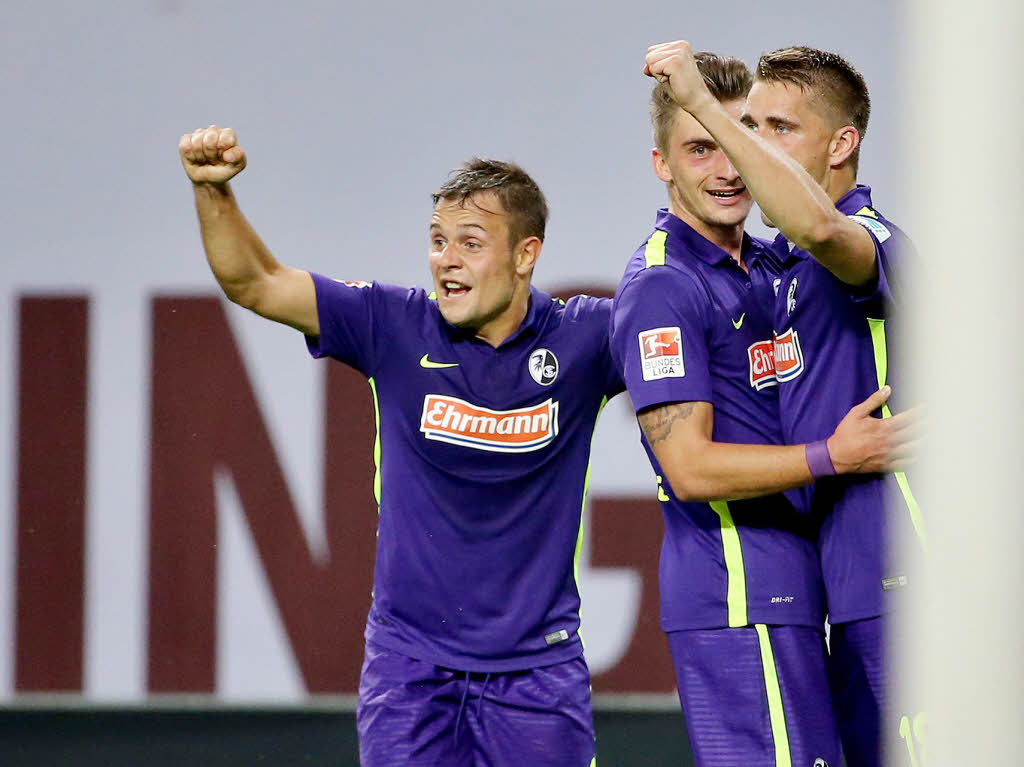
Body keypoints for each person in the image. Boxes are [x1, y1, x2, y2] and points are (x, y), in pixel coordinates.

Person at [178, 126, 623, 767]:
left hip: (538, 673)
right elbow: (256, 283)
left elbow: (701, 334)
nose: (446, 260)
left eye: (471, 244)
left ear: (526, 255)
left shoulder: (587, 338)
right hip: (410, 671)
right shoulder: (393, 323)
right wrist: (212, 193)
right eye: (438, 241)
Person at [611, 52, 913, 767]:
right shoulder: (662, 284)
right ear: (662, 163)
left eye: (742, 138)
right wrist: (830, 456)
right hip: (737, 596)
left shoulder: (778, 270)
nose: (727, 167)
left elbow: (818, 230)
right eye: (699, 147)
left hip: (809, 592)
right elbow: (687, 466)